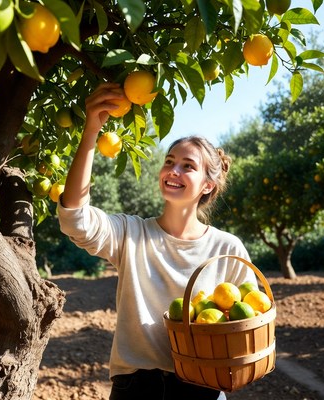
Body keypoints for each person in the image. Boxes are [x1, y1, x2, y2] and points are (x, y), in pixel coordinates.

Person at [57, 82, 257, 400]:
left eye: (187, 166)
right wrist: (91, 131)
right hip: (136, 388)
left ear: (207, 185)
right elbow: (74, 220)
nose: (173, 170)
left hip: (202, 387)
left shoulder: (226, 249)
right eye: (169, 161)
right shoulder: (132, 234)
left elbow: (250, 321)